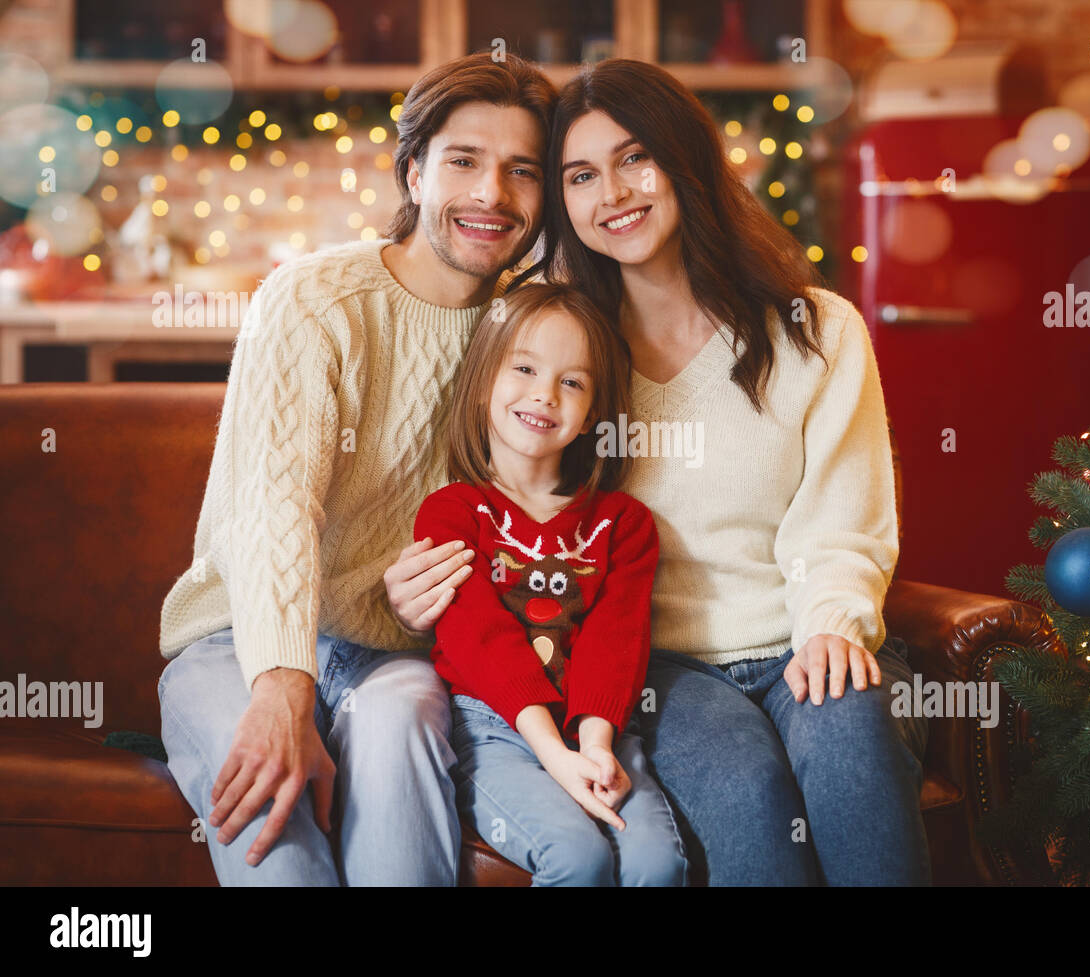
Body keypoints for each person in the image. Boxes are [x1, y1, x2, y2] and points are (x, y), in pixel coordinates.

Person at [156, 52, 555, 885]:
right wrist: (283, 685)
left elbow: (551, 511)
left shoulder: (535, 330)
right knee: (272, 816)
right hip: (237, 640)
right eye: (464, 162)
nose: (493, 194)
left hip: (396, 655)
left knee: (401, 720)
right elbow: (276, 509)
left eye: (523, 171)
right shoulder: (312, 299)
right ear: (414, 171)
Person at [529, 58, 929, 884]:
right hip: (664, 669)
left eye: (634, 157)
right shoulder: (564, 355)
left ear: (685, 160)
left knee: (850, 739)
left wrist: (831, 623)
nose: (612, 192)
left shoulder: (818, 331)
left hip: (802, 634)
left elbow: (843, 520)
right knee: (749, 795)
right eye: (580, 175)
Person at [411, 282, 688, 885]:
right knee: (577, 856)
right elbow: (479, 639)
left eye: (573, 381)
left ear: (594, 413)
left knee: (657, 863)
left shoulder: (624, 524)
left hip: (601, 729)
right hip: (493, 727)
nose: (545, 394)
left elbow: (615, 644)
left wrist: (594, 747)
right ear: (485, 379)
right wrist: (554, 755)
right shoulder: (453, 513)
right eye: (526, 368)